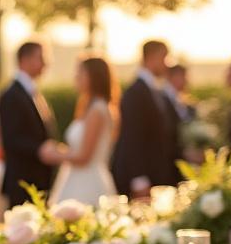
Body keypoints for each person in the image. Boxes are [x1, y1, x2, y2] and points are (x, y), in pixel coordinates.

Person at [48, 56, 119, 205]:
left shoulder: (97, 110)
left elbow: (84, 157)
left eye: (80, 73)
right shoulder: (91, 107)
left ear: (93, 77)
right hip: (77, 179)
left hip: (87, 183)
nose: (76, 77)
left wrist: (55, 154)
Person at [111, 40, 175, 197]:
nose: (168, 64)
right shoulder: (136, 93)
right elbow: (132, 137)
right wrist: (139, 179)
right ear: (151, 58)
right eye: (164, 58)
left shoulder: (155, 90)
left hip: (156, 174)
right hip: (141, 177)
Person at [0, 41, 55, 206]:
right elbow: (10, 138)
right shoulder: (11, 95)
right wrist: (39, 149)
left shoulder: (34, 93)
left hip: (38, 181)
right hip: (21, 181)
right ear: (24, 60)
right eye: (41, 57)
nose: (46, 63)